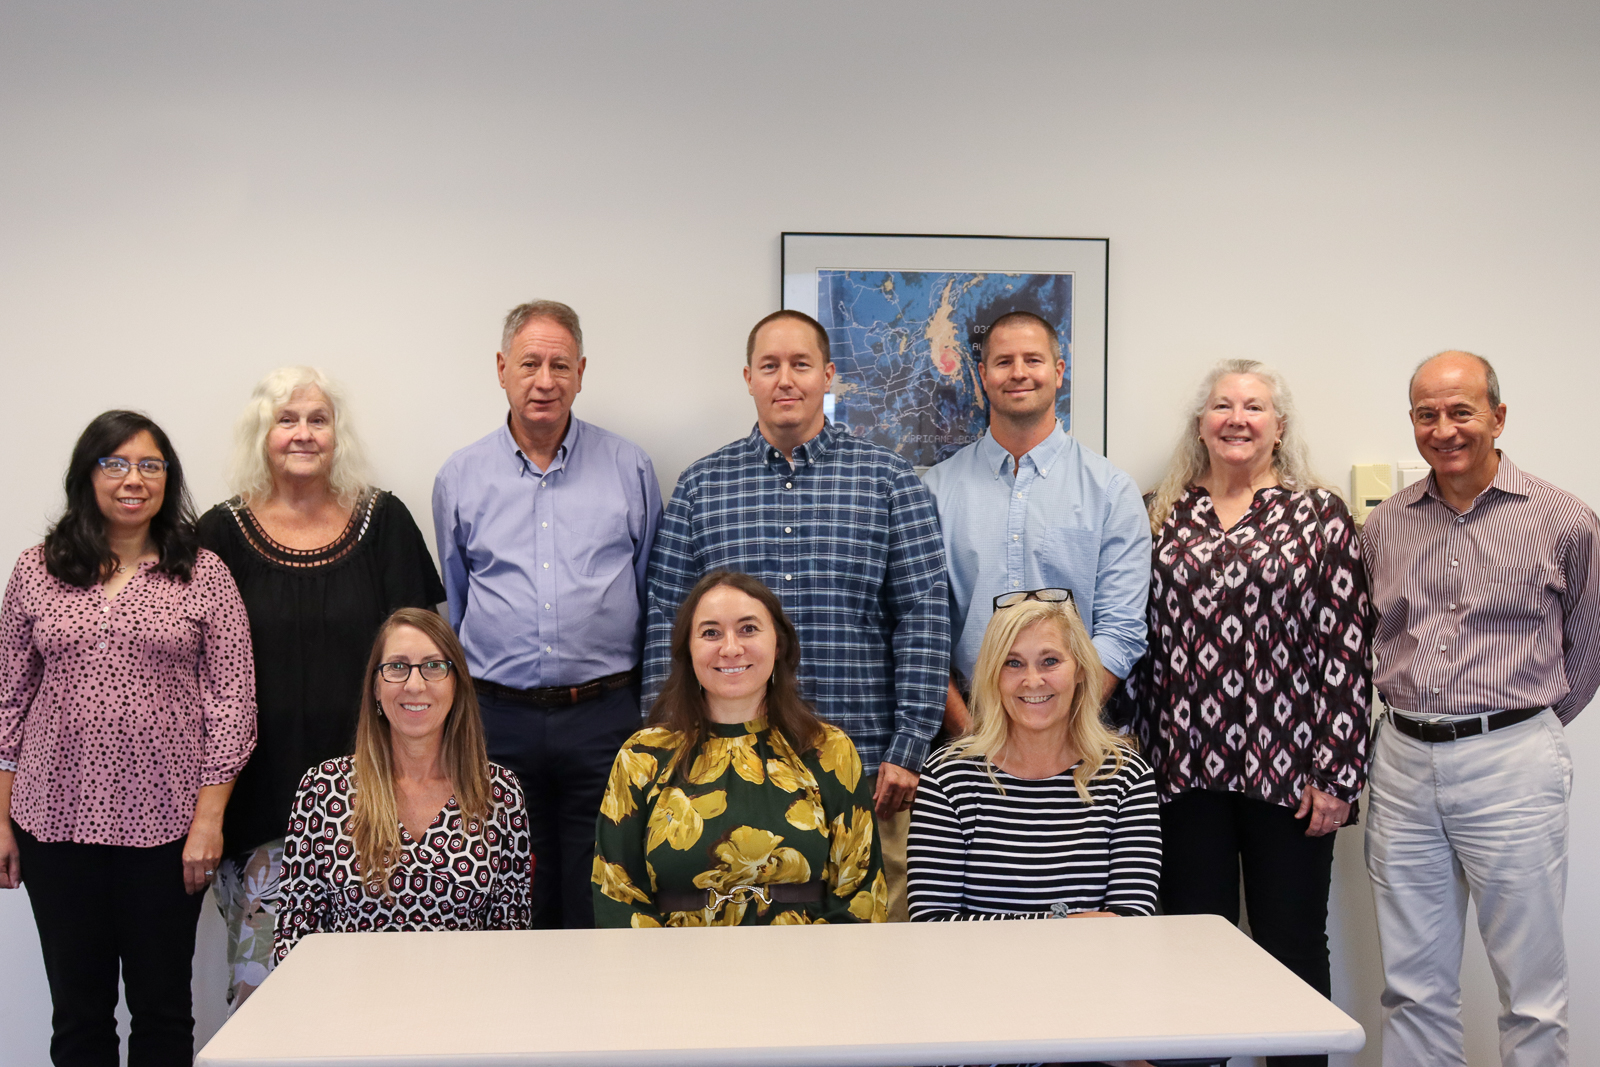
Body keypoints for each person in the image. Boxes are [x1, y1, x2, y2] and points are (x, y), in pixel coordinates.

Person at [645, 309, 948, 921]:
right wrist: (665, 748)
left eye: (801, 364)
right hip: (722, 774)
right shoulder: (702, 487)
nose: (786, 379)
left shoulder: (889, 483)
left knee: (867, 956)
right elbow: (664, 623)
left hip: (862, 769)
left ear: (829, 375)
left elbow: (923, 617)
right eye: (770, 366)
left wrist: (909, 744)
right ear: (749, 379)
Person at [1124, 359, 1369, 1067]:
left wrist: (1339, 772)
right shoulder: (1158, 512)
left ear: (1279, 426)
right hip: (1178, 770)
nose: (1237, 417)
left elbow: (1347, 648)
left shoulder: (1320, 515)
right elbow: (1138, 640)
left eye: (1254, 406)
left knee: (1291, 942)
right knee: (1190, 943)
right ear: (1200, 424)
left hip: (1292, 774)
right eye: (1223, 405)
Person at [1362, 351, 1599, 1067]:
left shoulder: (1565, 520)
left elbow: (1587, 650)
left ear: (1498, 416)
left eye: (1461, 410)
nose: (1445, 428)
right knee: (1412, 988)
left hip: (1512, 762)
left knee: (1530, 993)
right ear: (1412, 423)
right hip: (1402, 763)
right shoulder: (1384, 527)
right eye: (1427, 414)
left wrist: (1517, 728)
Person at [0, 410, 256, 1067]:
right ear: (87, 475)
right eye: (114, 463)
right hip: (53, 824)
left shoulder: (204, 573)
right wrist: (0, 818)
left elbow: (233, 706)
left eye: (150, 464)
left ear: (169, 479)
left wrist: (209, 820)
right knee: (79, 1018)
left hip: (168, 829)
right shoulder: (36, 570)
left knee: (163, 1012)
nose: (132, 479)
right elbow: (7, 700)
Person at [197, 366, 444, 1008]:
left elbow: (426, 660)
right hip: (259, 810)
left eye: (318, 419)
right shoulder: (218, 535)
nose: (303, 433)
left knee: (383, 1001)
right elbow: (197, 677)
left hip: (380, 807)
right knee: (269, 1004)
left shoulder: (384, 521)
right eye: (287, 419)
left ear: (337, 434)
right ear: (262, 434)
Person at [433, 299, 662, 929]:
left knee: (603, 884)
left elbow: (649, 587)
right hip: (496, 717)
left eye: (560, 364)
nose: (545, 380)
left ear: (582, 372)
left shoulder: (629, 467)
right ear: (502, 368)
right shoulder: (460, 476)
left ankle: (599, 1024)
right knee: (510, 887)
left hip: (605, 715)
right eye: (529, 363)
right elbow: (458, 593)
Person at [594, 571, 886, 926]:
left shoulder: (829, 751)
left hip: (808, 971)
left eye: (748, 629)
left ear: (778, 644)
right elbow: (617, 894)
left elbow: (861, 895)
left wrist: (813, 975)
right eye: (711, 633)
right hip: (675, 973)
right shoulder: (641, 757)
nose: (730, 648)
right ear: (688, 648)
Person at [923, 311, 1150, 735]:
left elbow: (1122, 629)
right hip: (966, 733)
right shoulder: (936, 491)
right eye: (1004, 361)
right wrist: (971, 734)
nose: (1019, 373)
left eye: (1034, 359)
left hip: (1079, 734)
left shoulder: (1111, 492)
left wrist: (1062, 722)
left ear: (1058, 372)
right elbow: (924, 630)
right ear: (983, 376)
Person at [272, 607, 531, 958]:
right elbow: (293, 937)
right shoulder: (323, 788)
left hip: (466, 1004)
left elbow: (512, 935)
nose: (414, 684)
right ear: (376, 687)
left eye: (433, 666)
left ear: (457, 685)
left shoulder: (499, 793)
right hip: (347, 1005)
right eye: (396, 667)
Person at [908, 590, 1159, 922]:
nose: (1032, 680)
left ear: (1081, 669)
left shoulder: (1127, 776)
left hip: (1095, 973)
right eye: (1013, 663)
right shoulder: (947, 778)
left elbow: (1132, 920)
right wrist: (1063, 925)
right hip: (976, 974)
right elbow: (930, 922)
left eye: (1050, 661)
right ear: (993, 675)